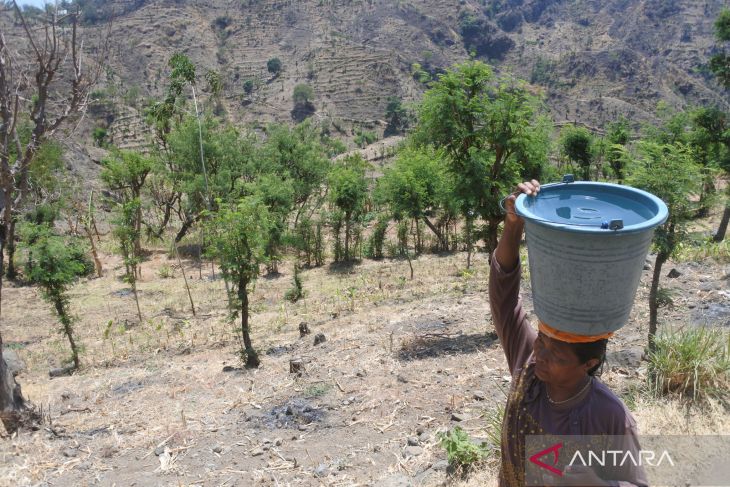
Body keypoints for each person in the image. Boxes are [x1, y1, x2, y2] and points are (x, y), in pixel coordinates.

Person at [490, 180, 648, 487]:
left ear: (588, 363)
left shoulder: (609, 415)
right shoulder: (529, 369)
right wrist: (513, 224)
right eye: (541, 341)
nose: (540, 356)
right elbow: (504, 298)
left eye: (556, 354)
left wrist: (597, 484)